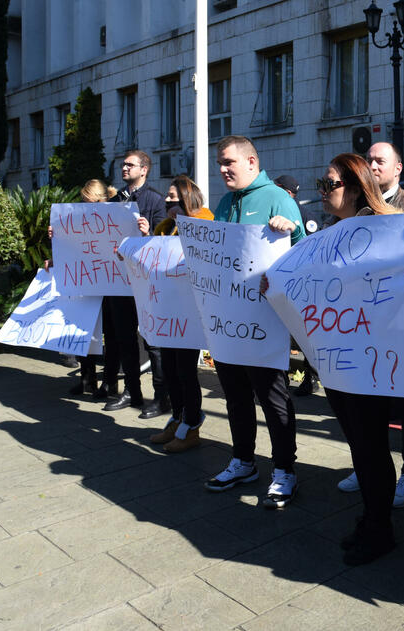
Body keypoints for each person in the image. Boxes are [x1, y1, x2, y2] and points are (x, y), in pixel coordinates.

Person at [295, 152, 404, 565]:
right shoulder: (330, 233)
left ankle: (380, 527)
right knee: (358, 443)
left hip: (373, 359)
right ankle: (372, 517)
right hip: (337, 358)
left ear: (354, 189)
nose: (322, 191)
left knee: (371, 446)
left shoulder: (389, 229)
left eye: (330, 184)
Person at [203, 136, 304, 509]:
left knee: (273, 398)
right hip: (230, 321)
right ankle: (243, 461)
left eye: (228, 161)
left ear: (250, 161)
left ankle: (284, 470)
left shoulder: (279, 198)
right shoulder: (225, 202)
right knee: (235, 397)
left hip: (266, 322)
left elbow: (303, 254)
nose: (222, 169)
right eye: (219, 163)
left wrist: (290, 230)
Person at [336, 141, 404, 508]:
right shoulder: (356, 212)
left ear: (398, 168)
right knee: (365, 402)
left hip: (400, 322)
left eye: (381, 161)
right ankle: (369, 467)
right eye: (369, 160)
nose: (373, 166)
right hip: (362, 323)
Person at [133, 175, 215, 453]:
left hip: (190, 313)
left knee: (185, 372)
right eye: (167, 197)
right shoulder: (165, 228)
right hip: (168, 310)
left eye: (173, 196)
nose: (168, 200)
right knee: (169, 368)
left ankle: (191, 426)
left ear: (187, 199)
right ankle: (178, 419)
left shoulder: (205, 222)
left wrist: (186, 225)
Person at [103, 150, 170, 418]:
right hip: (120, 280)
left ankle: (161, 397)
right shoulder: (116, 200)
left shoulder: (155, 199)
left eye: (130, 164)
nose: (124, 168)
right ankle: (132, 391)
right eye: (123, 164)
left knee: (153, 340)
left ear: (144, 169)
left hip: (146, 281)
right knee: (124, 337)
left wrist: (148, 233)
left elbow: (166, 239)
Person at [48, 179, 118, 397]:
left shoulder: (114, 215)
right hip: (86, 280)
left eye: (89, 202)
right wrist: (56, 242)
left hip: (108, 281)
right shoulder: (80, 217)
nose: (85, 206)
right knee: (84, 329)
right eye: (83, 201)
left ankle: (109, 382)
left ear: (100, 199)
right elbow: (73, 245)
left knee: (110, 335)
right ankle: (87, 379)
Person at [274, 176, 322, 398]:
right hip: (277, 285)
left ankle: (311, 378)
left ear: (288, 192)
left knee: (304, 336)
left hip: (301, 286)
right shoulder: (274, 212)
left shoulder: (304, 216)